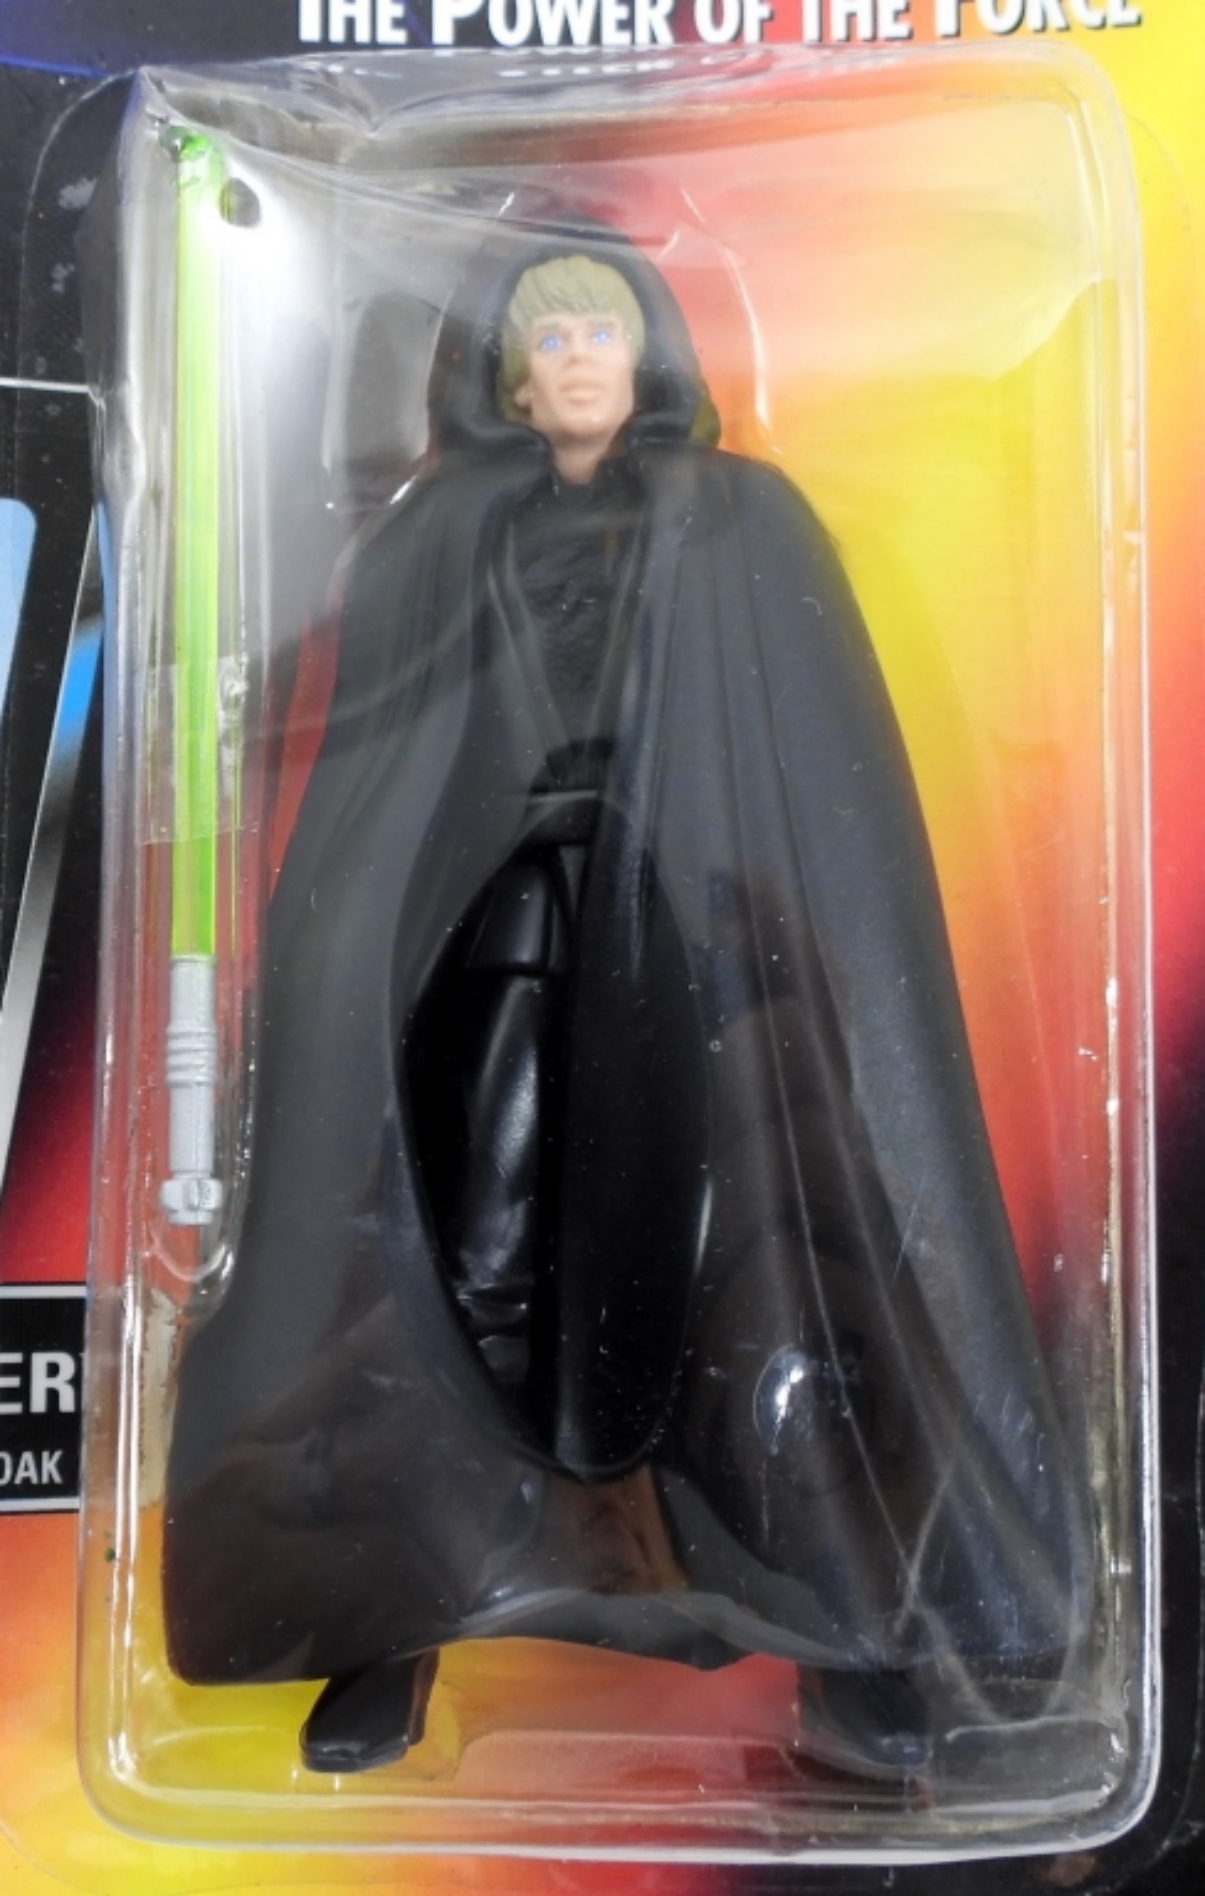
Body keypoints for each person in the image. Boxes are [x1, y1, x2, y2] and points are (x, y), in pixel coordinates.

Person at [163, 223, 1087, 1779]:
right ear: (510, 380)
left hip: (704, 949)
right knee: (437, 1250)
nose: (580, 360)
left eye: (602, 331)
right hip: (489, 942)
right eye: (551, 338)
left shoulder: (742, 523)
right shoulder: (437, 538)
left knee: (773, 1257)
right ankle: (382, 1612)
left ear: (646, 353)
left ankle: (858, 1628)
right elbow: (377, 785)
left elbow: (812, 778)